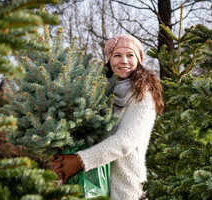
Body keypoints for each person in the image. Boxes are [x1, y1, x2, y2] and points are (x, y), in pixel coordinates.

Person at [49, 34, 164, 199]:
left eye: (130, 55)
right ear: (109, 60)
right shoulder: (97, 90)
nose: (124, 60)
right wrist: (62, 156)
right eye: (117, 55)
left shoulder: (143, 95)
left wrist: (78, 161)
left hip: (124, 190)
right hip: (87, 185)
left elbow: (125, 141)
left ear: (138, 59)